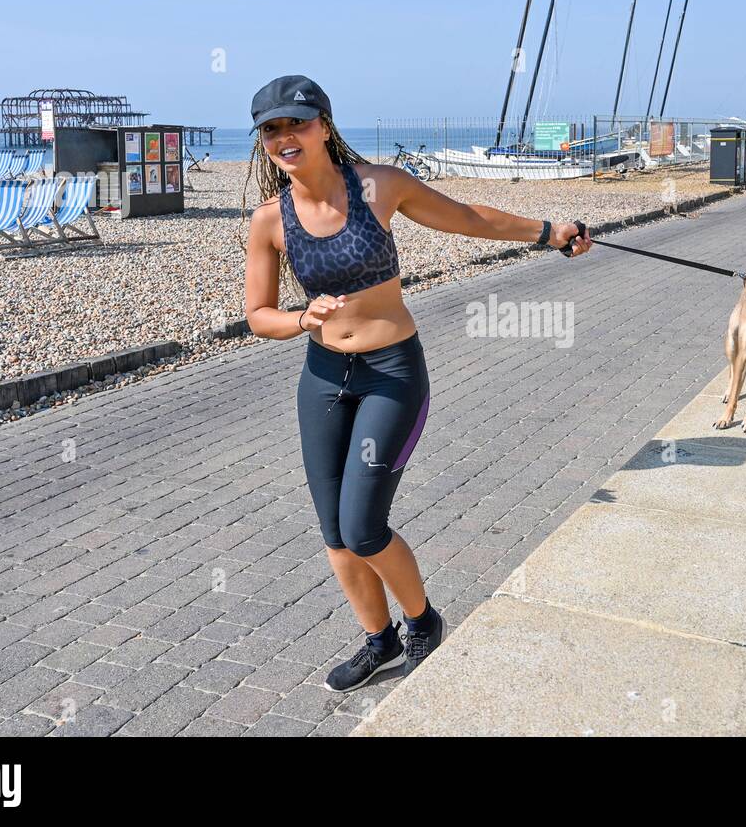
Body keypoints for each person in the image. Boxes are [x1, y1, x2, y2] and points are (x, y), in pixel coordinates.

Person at [241, 75, 592, 693]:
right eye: (272, 129)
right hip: (323, 378)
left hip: (391, 374)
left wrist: (547, 231)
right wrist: (302, 319)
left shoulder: (379, 186)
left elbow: (465, 218)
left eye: (296, 123)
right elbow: (258, 315)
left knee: (363, 526)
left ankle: (423, 622)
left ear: (324, 125)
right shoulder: (271, 220)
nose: (285, 137)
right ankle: (378, 642)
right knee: (336, 537)